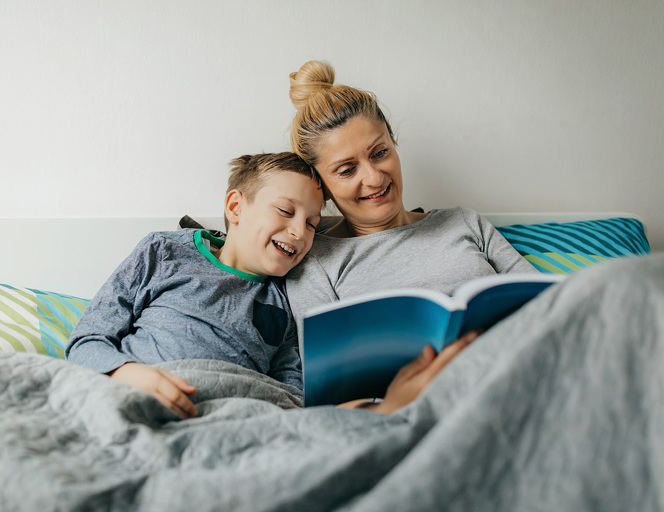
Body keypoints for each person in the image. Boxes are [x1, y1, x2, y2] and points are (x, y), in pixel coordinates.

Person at [283, 60, 563, 412]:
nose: (373, 177)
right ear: (320, 185)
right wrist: (394, 405)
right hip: (416, 420)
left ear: (394, 145)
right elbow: (329, 403)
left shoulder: (463, 222)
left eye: (380, 153)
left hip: (522, 387)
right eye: (347, 169)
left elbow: (553, 307)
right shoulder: (315, 262)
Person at [65, 152, 324, 418]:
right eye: (285, 211)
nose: (299, 232)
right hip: (139, 393)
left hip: (228, 414)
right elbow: (85, 343)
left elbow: (291, 392)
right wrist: (124, 372)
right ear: (236, 207)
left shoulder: (287, 297)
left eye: (311, 224)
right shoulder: (164, 251)